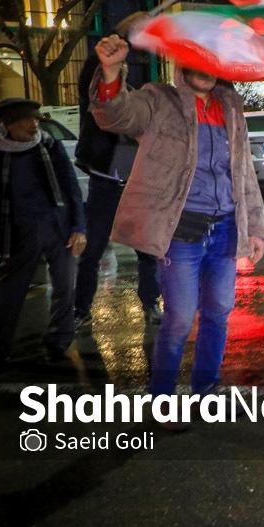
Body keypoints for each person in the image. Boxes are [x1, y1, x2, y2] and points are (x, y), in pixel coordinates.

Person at [91, 35, 264, 407]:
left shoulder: (230, 106)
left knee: (218, 313)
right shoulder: (159, 100)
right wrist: (110, 71)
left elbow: (244, 172)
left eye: (212, 62)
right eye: (197, 61)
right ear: (183, 64)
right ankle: (162, 399)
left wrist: (255, 227)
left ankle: (207, 388)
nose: (205, 70)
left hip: (225, 229)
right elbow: (116, 114)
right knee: (179, 319)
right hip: (181, 232)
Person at [73, 25, 161, 327]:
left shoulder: (141, 101)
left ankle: (150, 302)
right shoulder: (99, 95)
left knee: (147, 251)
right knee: (93, 250)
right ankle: (81, 309)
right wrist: (120, 35)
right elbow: (93, 73)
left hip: (136, 185)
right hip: (106, 183)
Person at [0, 98, 87, 368]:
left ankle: (58, 342)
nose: (34, 124)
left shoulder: (49, 145)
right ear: (8, 124)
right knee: (8, 292)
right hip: (20, 231)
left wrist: (79, 228)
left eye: (36, 119)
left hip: (59, 227)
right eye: (27, 120)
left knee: (65, 287)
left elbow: (71, 188)